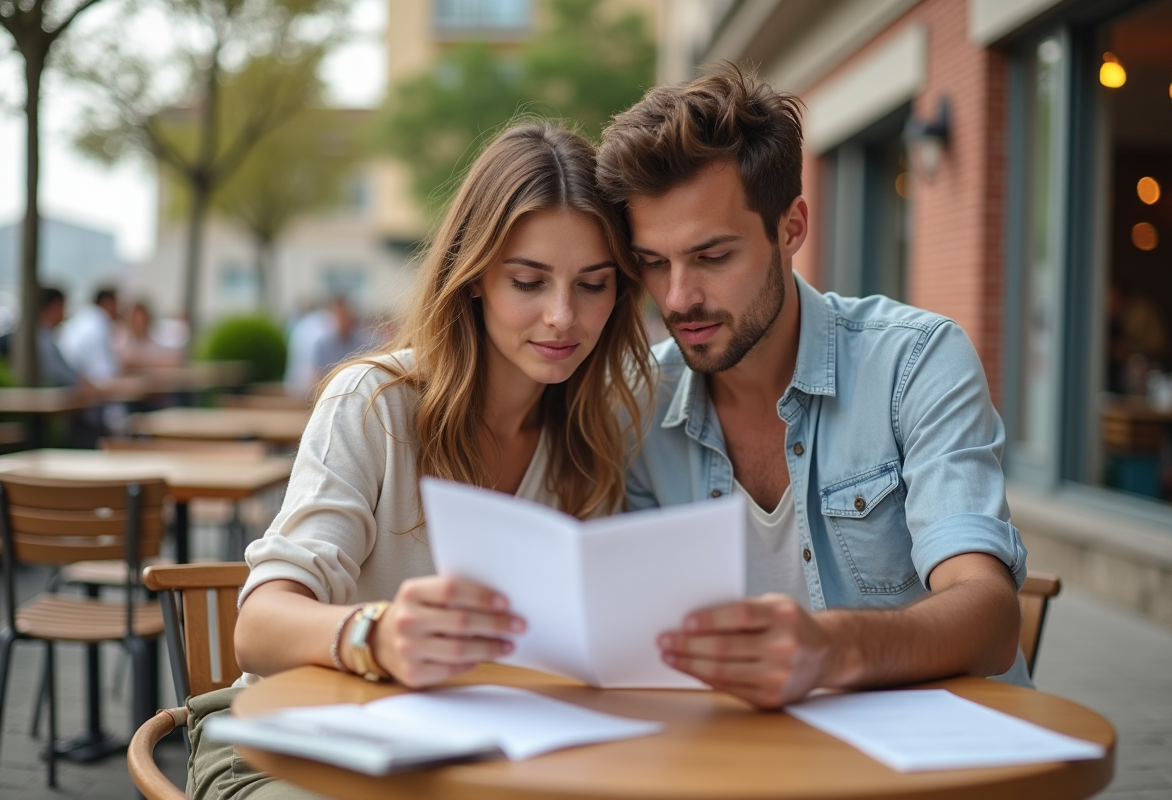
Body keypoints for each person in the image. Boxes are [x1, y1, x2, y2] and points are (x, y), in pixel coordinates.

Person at [186, 122, 651, 798]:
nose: (562, 316)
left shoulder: (596, 436)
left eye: (593, 284)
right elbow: (257, 627)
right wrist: (375, 634)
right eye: (529, 281)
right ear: (474, 279)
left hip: (470, 756)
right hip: (292, 746)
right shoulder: (374, 403)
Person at [595, 64, 1029, 709]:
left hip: (937, 753)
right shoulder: (636, 402)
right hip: (748, 756)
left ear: (792, 226)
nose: (679, 298)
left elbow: (991, 618)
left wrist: (831, 649)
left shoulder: (914, 362)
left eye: (713, 256)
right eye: (653, 263)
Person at [58, 287, 121, 383]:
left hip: (69, 376)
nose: (118, 309)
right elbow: (104, 373)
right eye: (116, 304)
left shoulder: (85, 317)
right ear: (108, 303)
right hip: (75, 382)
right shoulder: (99, 322)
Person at [311, 295, 375, 381]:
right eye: (337, 315)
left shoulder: (364, 342)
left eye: (343, 315)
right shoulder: (322, 344)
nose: (341, 320)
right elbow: (317, 376)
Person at [115, 300, 185, 372]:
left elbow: (174, 360)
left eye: (142, 320)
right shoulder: (122, 341)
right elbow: (123, 361)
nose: (139, 323)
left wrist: (139, 363)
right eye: (136, 320)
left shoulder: (154, 342)